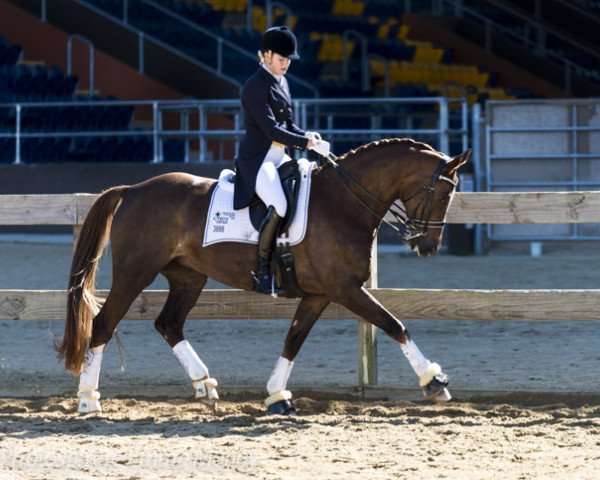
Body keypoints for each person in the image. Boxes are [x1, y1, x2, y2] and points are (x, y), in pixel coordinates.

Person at [233, 25, 328, 294]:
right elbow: (272, 131)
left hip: (280, 157)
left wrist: (308, 136)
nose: (286, 64)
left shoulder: (282, 82)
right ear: (265, 55)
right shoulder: (254, 86)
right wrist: (305, 143)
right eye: (281, 59)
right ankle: (262, 270)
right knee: (280, 204)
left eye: (288, 60)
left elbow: (289, 125)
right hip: (259, 161)